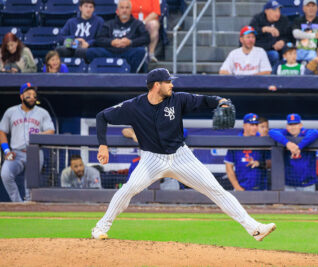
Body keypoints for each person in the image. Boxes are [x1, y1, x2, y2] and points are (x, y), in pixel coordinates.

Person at [91, 68, 276, 241]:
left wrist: (220, 100)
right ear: (157, 85)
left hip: (181, 157)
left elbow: (203, 100)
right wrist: (102, 146)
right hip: (152, 159)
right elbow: (102, 116)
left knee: (216, 189)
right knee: (128, 189)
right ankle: (100, 227)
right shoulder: (134, 106)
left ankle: (255, 228)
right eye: (168, 82)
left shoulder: (177, 99)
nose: (172, 84)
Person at [0, 83, 55, 202]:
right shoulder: (11, 112)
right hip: (16, 153)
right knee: (5, 174)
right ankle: (17, 203)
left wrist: (39, 135)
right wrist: (6, 150)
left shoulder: (42, 112)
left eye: (34, 95)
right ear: (21, 96)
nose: (32, 97)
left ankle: (28, 206)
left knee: (29, 184)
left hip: (35, 152)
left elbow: (51, 131)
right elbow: (2, 132)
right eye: (28, 94)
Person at [86, 0, 150, 73]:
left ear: (130, 10)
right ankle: (98, 75)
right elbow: (99, 39)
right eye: (122, 8)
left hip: (128, 51)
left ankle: (132, 75)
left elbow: (146, 38)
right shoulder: (109, 24)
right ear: (117, 10)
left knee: (141, 51)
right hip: (110, 51)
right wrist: (111, 42)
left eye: (127, 8)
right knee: (90, 52)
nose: (124, 10)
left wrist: (130, 42)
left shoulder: (138, 24)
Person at [269, 113, 318, 191]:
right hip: (289, 184)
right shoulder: (285, 133)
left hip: (307, 184)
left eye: (295, 124)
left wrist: (298, 147)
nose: (293, 127)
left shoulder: (306, 132)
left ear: (300, 125)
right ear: (287, 126)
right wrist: (287, 143)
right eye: (290, 125)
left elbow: (316, 133)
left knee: (308, 203)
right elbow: (272, 132)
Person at [224, 113, 269, 191]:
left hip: (261, 189)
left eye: (256, 125)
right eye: (251, 125)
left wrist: (259, 163)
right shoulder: (236, 141)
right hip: (241, 187)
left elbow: (270, 163)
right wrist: (237, 187)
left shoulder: (263, 140)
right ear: (244, 125)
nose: (254, 127)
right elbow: (228, 167)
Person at [249, 0, 292, 68]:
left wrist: (283, 41)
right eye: (274, 10)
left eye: (279, 10)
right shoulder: (258, 19)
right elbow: (250, 34)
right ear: (266, 11)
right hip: (261, 50)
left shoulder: (283, 20)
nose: (277, 13)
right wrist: (264, 29)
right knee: (273, 54)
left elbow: (289, 36)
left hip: (278, 51)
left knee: (285, 52)